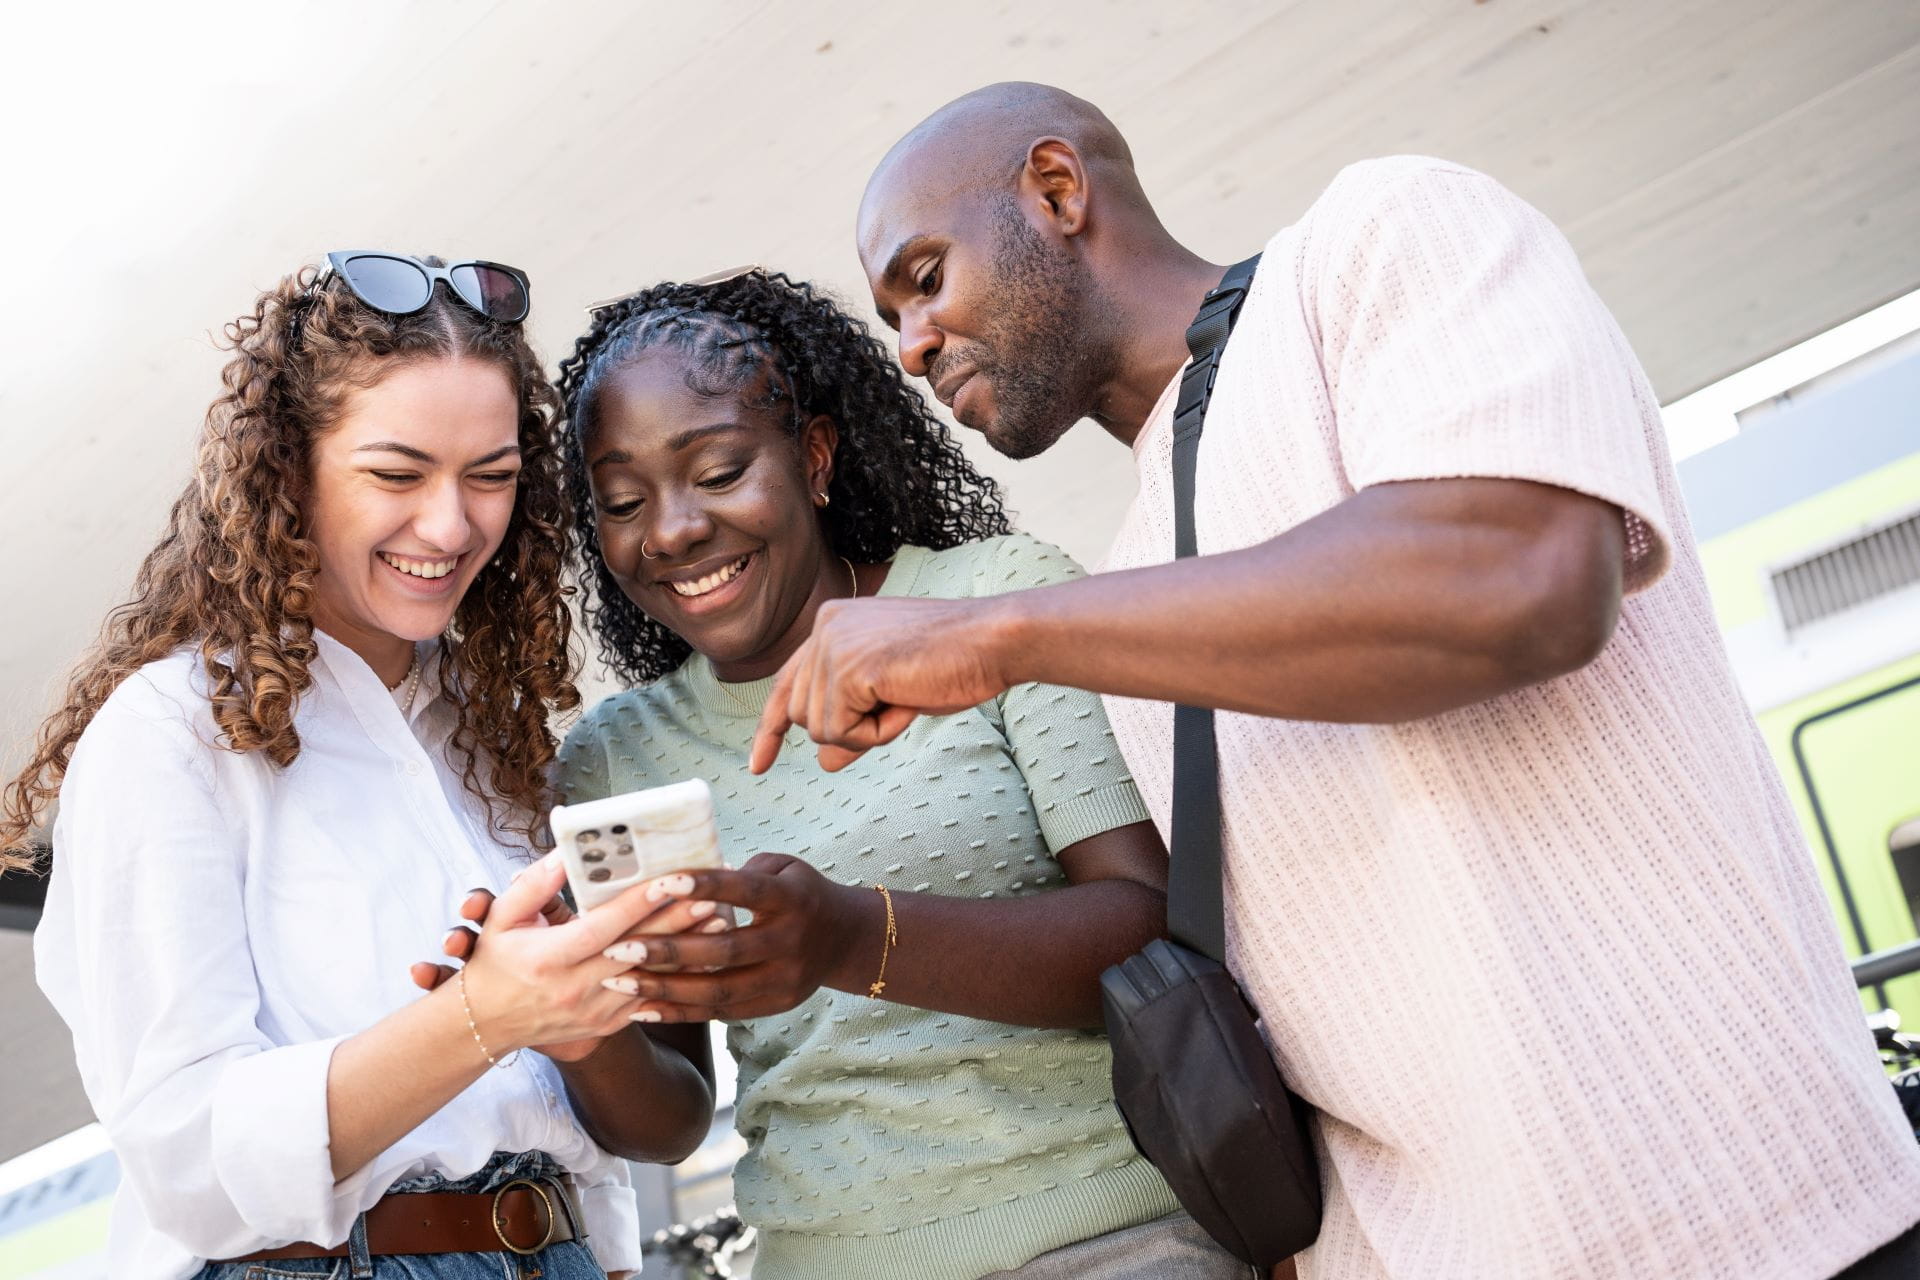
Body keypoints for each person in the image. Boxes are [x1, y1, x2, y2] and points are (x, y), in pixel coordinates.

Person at [743, 83, 1920, 1279]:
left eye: (927, 277)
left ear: (1058, 189)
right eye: (893, 311)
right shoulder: (1131, 577)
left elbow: (1518, 573)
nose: (911, 343)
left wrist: (997, 632)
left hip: (1769, 1228)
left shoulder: (1378, 241)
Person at [423, 268, 1249, 1279]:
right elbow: (674, 1112)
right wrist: (561, 1013)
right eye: (625, 500)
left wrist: (854, 936)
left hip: (1111, 1236)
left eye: (720, 471)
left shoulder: (991, 599)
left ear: (814, 458)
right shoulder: (612, 758)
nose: (674, 529)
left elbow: (1147, 921)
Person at [7, 254, 713, 1279]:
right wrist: (482, 1014)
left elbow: (636, 1126)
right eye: (397, 473)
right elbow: (189, 1160)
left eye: (492, 476)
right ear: (288, 469)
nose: (451, 523)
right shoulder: (167, 732)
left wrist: (566, 1005)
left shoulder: (495, 741)